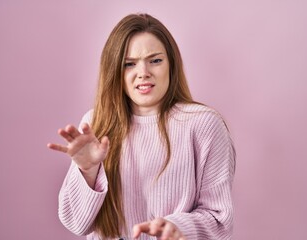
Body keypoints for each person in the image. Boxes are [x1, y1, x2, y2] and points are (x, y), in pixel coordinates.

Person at [47, 13, 236, 240]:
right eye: (129, 64)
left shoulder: (203, 124)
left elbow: (219, 221)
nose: (143, 72)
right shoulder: (95, 124)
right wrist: (88, 171)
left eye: (155, 60)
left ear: (172, 65)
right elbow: (77, 224)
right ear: (114, 71)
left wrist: (177, 228)